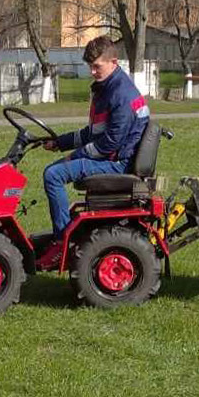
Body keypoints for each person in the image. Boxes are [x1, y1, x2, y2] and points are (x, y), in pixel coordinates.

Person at [37, 35, 149, 262]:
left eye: (97, 67)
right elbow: (93, 133)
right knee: (55, 170)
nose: (92, 72)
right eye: (90, 67)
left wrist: (75, 155)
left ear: (113, 62)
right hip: (115, 156)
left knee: (53, 175)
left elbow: (110, 144)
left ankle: (62, 242)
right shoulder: (110, 88)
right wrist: (60, 143)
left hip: (118, 163)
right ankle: (64, 235)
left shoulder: (120, 94)